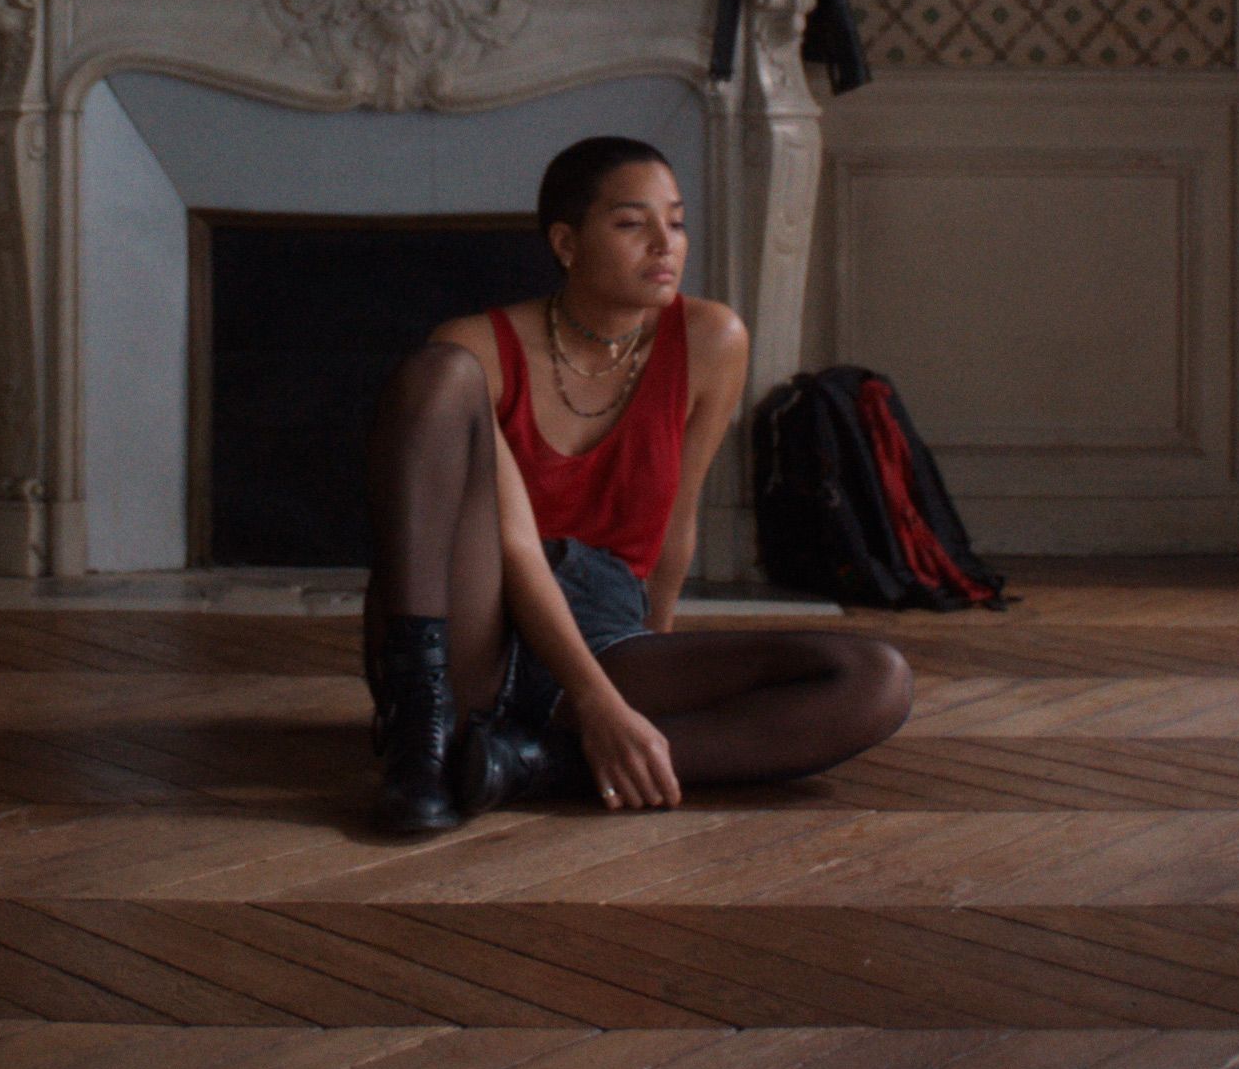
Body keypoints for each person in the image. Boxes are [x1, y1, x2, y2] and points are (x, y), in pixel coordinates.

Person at [362, 135, 914, 833]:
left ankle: (528, 764)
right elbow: (518, 547)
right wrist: (598, 700)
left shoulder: (712, 339)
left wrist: (651, 678)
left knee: (875, 679)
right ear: (567, 243)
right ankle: (420, 740)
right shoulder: (477, 348)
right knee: (439, 373)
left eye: (676, 222)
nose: (665, 244)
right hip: (474, 622)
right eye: (632, 223)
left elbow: (677, 522)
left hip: (606, 625)